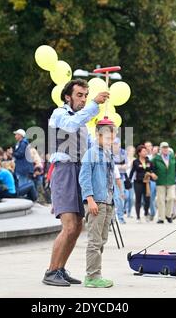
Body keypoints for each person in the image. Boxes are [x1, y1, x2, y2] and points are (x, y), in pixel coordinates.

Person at [43, 79, 109, 287]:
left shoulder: (83, 123)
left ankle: (60, 269)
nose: (83, 99)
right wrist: (94, 105)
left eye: (85, 96)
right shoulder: (60, 114)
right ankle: (51, 271)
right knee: (70, 225)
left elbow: (91, 147)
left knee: (78, 226)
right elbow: (71, 124)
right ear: (67, 97)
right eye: (79, 95)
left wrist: (105, 134)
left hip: (79, 170)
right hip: (64, 171)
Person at [79, 123, 116, 288]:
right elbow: (84, 177)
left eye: (112, 137)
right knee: (94, 241)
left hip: (108, 202)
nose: (110, 140)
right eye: (107, 137)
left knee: (102, 240)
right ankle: (92, 276)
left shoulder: (108, 154)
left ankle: (96, 272)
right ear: (99, 136)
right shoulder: (91, 153)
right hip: (96, 202)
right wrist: (90, 199)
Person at [152, 142, 176, 224]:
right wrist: (152, 173)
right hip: (160, 181)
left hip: (171, 181)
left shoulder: (172, 157)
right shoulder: (156, 158)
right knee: (160, 200)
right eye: (163, 148)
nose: (165, 149)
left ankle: (168, 215)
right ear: (160, 149)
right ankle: (161, 218)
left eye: (166, 147)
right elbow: (151, 167)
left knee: (171, 198)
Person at [129, 145, 157, 223]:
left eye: (146, 151)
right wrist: (129, 181)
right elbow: (132, 172)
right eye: (143, 151)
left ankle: (146, 214)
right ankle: (138, 217)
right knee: (138, 199)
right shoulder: (136, 162)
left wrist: (152, 174)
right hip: (138, 182)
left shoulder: (149, 161)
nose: (145, 152)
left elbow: (152, 170)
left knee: (147, 199)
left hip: (147, 183)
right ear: (139, 153)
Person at [144, 141, 157, 219]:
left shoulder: (156, 156)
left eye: (149, 146)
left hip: (155, 179)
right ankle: (151, 212)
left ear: (152, 147)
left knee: (153, 197)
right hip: (148, 180)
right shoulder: (144, 157)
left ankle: (152, 212)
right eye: (146, 146)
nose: (148, 148)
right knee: (148, 197)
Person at [124, 146, 135, 218]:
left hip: (132, 181)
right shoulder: (124, 159)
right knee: (126, 197)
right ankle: (124, 209)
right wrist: (129, 165)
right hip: (125, 180)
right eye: (130, 151)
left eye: (133, 151)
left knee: (131, 198)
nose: (132, 152)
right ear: (127, 151)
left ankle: (129, 212)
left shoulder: (135, 160)